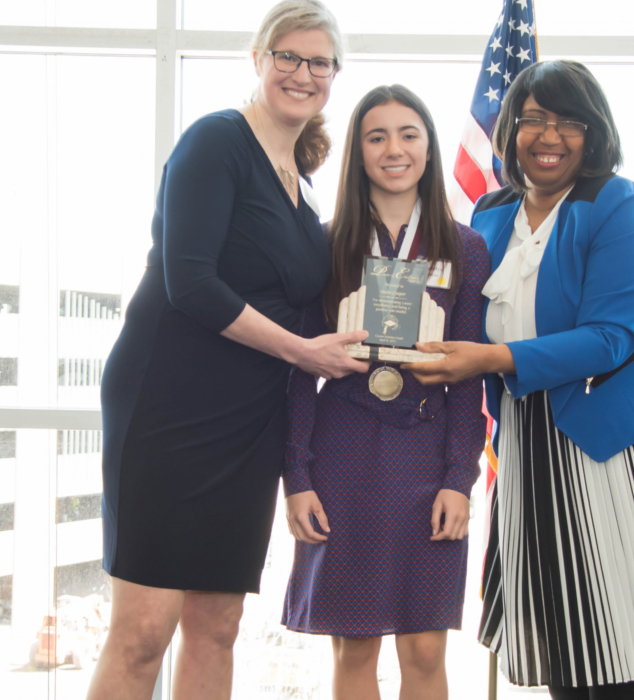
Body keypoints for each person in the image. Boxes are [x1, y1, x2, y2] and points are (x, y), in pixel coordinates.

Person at [406, 60, 634, 700]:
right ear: (510, 130)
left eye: (569, 121)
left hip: (620, 433)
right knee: (558, 619)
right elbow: (451, 301)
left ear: (593, 131)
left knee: (621, 626)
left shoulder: (620, 204)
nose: (549, 135)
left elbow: (610, 338)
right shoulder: (491, 212)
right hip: (528, 434)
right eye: (534, 118)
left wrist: (487, 359)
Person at [87, 3, 368, 699]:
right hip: (169, 406)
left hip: (249, 420)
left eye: (319, 62)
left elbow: (306, 297)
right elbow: (190, 284)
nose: (302, 73)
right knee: (144, 630)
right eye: (288, 56)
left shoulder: (301, 181)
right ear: (258, 58)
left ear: (335, 74)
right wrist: (303, 353)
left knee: (217, 625)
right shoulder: (216, 141)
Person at [281, 85, 490, 700]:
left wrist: (459, 478)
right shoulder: (323, 244)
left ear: (428, 148)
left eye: (408, 135)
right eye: (377, 136)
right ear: (358, 151)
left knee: (425, 648)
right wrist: (297, 477)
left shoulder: (464, 247)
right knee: (355, 646)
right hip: (341, 456)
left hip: (427, 456)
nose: (394, 149)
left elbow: (467, 376)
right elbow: (298, 371)